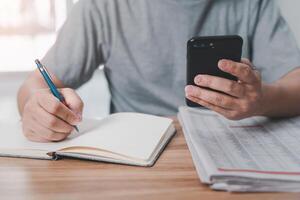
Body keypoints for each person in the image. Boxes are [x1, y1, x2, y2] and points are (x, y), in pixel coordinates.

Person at [17, 0, 300, 142]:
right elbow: (35, 85)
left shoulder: (253, 3)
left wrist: (261, 100)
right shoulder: (103, 5)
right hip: (138, 155)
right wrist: (35, 106)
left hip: (233, 147)